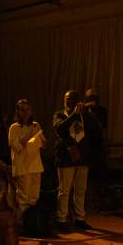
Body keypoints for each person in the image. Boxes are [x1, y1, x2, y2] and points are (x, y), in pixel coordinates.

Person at [53, 90, 101, 230]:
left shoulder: (84, 115)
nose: (71, 102)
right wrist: (74, 114)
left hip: (82, 157)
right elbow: (60, 129)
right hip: (65, 158)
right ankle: (61, 219)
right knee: (64, 191)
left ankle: (80, 219)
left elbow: (96, 127)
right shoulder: (59, 115)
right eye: (68, 99)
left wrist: (87, 113)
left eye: (74, 99)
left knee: (80, 190)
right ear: (64, 101)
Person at [8, 99, 45, 217]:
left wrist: (42, 141)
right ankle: (20, 222)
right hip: (22, 166)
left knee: (34, 196)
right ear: (18, 112)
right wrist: (29, 136)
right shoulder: (14, 127)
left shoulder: (35, 125)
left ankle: (31, 222)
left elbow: (42, 145)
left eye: (27, 109)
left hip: (35, 164)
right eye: (22, 110)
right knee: (23, 197)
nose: (25, 112)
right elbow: (17, 148)